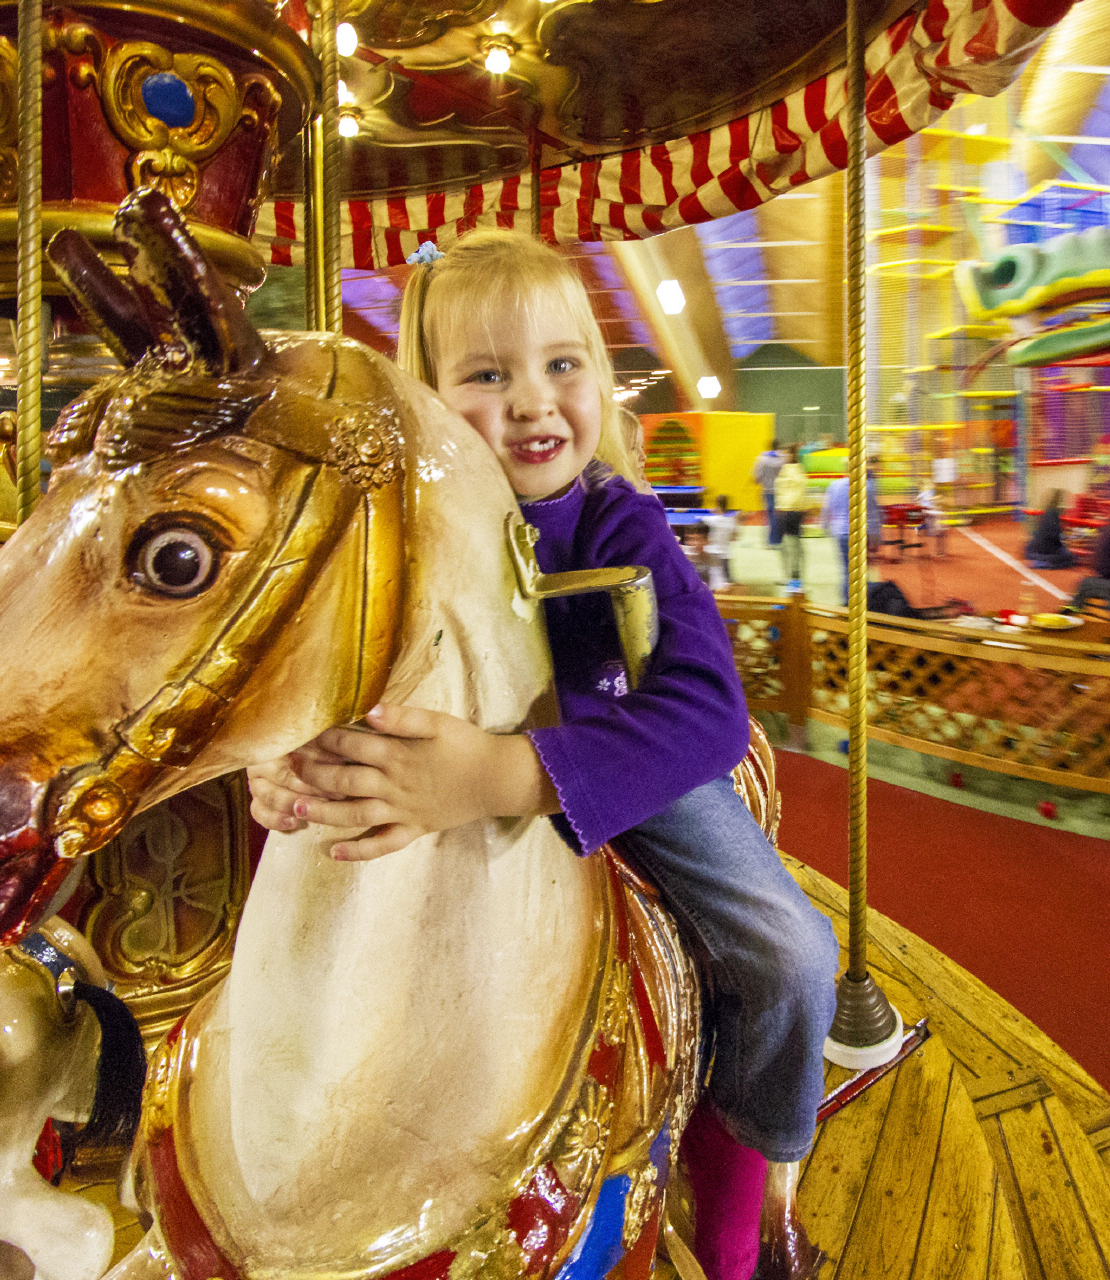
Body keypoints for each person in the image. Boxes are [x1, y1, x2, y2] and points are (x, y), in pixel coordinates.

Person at [244, 231, 838, 1280]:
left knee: (790, 951)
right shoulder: (393, 528)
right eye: (488, 374)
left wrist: (505, 773)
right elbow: (317, 651)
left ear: (600, 379)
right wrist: (288, 755)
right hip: (442, 763)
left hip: (616, 751)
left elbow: (706, 711)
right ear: (428, 397)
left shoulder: (619, 520)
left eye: (563, 364)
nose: (533, 401)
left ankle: (754, 1185)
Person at [824, 471, 879, 606]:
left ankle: (846, 602)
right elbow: (872, 513)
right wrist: (876, 535)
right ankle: (861, 602)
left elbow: (827, 509)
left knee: (846, 570)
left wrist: (826, 527)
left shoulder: (834, 485)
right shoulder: (867, 486)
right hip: (858, 533)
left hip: (840, 532)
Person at [771, 444, 810, 590]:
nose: (784, 456)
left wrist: (780, 506)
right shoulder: (798, 470)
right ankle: (794, 575)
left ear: (791, 454)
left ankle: (793, 576)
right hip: (793, 511)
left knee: (790, 545)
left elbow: (783, 490)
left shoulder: (789, 470)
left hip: (789, 511)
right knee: (794, 545)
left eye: (786, 454)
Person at [1024, 488, 1075, 569]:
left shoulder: (1047, 511)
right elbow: (1053, 537)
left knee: (1068, 555)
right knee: (1069, 557)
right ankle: (1044, 563)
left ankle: (1042, 560)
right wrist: (1064, 539)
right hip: (1047, 549)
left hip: (1038, 547)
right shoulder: (1053, 513)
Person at [752, 444, 785, 542]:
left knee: (768, 516)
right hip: (780, 491)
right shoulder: (783, 459)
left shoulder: (762, 459)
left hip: (767, 491)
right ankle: (777, 539)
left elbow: (757, 479)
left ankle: (769, 541)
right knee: (779, 516)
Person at [704, 495, 737, 590]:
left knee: (712, 580)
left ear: (717, 505)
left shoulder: (709, 520)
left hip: (712, 553)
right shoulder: (731, 521)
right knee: (727, 582)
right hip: (726, 554)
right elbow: (734, 538)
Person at [916, 480, 947, 559]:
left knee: (936, 526)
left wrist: (937, 499)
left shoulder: (930, 492)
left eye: (930, 485)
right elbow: (927, 498)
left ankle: (940, 550)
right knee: (932, 526)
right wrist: (935, 498)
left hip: (931, 511)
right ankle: (927, 531)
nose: (930, 486)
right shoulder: (924, 493)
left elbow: (934, 500)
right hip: (927, 512)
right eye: (928, 485)